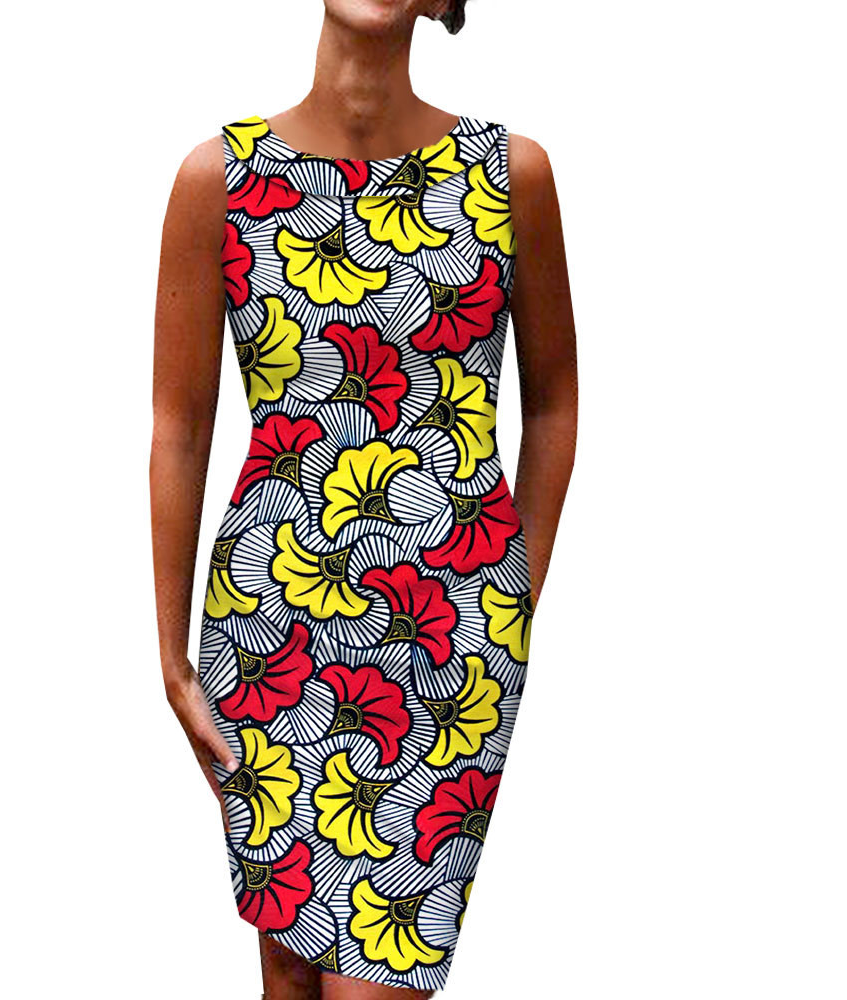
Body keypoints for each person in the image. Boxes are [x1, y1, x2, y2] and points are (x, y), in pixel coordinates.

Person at [150, 1, 577, 995]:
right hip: (268, 635)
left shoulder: (511, 176)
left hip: (445, 654)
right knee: (289, 976)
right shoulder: (219, 181)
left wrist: (512, 597)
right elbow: (179, 426)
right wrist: (170, 660)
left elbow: (555, 403)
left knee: (376, 974)